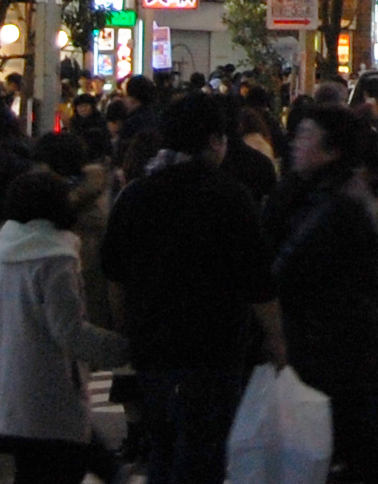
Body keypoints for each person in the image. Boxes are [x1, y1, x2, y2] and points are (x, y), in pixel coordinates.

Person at [99, 94, 288, 484]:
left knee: (163, 446)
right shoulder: (229, 196)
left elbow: (114, 274)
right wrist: (276, 339)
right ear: (215, 141)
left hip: (153, 346)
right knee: (203, 450)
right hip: (214, 347)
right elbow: (257, 279)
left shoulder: (136, 195)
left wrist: (127, 328)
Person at [0, 169, 131, 484]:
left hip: (10, 397)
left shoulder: (5, 256)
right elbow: (69, 331)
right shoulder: (55, 260)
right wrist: (122, 348)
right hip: (47, 395)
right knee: (60, 467)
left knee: (35, 471)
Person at [267, 104, 378, 481]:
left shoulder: (336, 203)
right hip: (338, 342)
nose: (297, 144)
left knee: (349, 447)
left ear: (332, 150)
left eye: (307, 137)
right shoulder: (325, 193)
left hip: (333, 345)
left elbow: (287, 266)